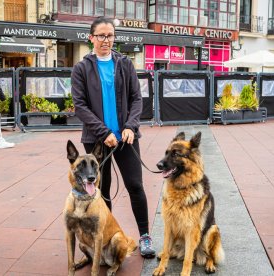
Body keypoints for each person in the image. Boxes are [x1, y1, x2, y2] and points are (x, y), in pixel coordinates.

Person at [71, 17, 155, 258]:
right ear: (91, 38)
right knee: (101, 190)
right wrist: (104, 132)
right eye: (101, 36)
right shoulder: (81, 68)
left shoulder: (125, 64)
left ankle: (145, 236)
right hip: (97, 141)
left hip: (126, 138)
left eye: (110, 36)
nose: (106, 40)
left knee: (135, 185)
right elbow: (80, 106)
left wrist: (130, 126)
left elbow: (136, 99)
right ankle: (105, 238)